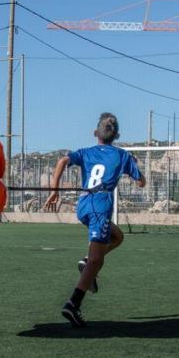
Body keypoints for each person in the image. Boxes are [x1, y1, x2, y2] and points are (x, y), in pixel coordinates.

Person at [44, 112, 145, 328]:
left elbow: (62, 160)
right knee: (97, 261)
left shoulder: (86, 152)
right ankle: (73, 304)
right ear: (116, 135)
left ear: (95, 133)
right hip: (100, 207)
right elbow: (141, 183)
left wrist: (55, 190)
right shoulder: (122, 155)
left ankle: (85, 261)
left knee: (117, 236)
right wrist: (134, 164)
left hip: (84, 205)